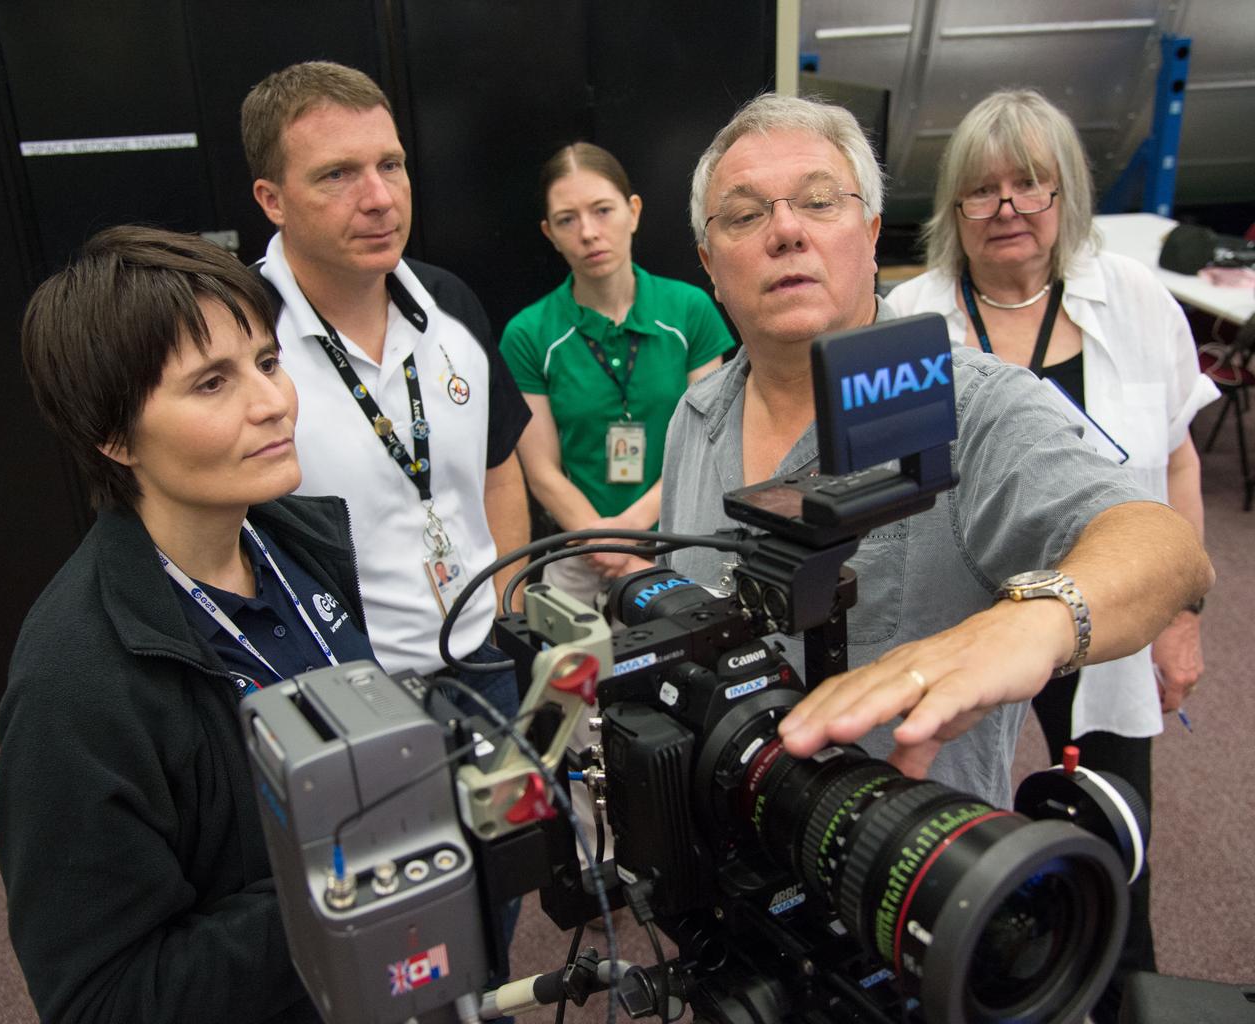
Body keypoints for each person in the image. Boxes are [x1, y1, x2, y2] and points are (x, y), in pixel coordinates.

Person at [660, 92, 1212, 813]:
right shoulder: (695, 414)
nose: (786, 230)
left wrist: (1031, 623)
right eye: (745, 214)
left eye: (820, 203)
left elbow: (1164, 547)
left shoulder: (971, 403)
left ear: (872, 231)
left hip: (904, 877)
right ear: (710, 260)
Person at [884, 87, 1220, 1020]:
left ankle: (1115, 994)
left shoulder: (1136, 300)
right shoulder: (908, 317)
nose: (1008, 210)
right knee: (949, 827)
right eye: (982, 191)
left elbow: (1179, 460)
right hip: (968, 618)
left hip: (1104, 608)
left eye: (1030, 185)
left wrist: (1181, 617)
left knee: (1113, 835)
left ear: (1064, 193)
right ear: (954, 209)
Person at [0, 226, 373, 1022]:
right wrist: (351, 883)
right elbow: (102, 997)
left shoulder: (299, 546)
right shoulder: (75, 686)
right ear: (114, 434)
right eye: (211, 383)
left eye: (268, 362)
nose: (273, 402)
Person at [242, 61, 531, 711]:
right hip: (344, 689)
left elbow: (499, 470)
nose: (379, 198)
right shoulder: (240, 338)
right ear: (272, 199)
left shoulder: (450, 300)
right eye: (337, 174)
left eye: (391, 165)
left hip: (485, 655)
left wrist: (509, 611)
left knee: (515, 816)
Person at [501, 143, 734, 606]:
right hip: (577, 550)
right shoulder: (527, 334)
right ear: (550, 233)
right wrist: (601, 542)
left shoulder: (690, 311)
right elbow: (541, 470)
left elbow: (705, 445)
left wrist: (630, 535)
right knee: (570, 673)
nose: (588, 232)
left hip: (679, 539)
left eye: (602, 210)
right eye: (567, 219)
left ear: (633, 212)